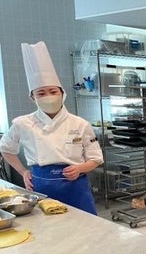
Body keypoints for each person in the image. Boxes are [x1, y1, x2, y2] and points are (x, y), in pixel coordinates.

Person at [0, 41, 103, 215]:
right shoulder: (22, 123)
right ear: (32, 98)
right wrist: (23, 172)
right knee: (49, 228)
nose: (48, 97)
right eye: (41, 93)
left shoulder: (80, 124)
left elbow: (96, 158)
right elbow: (5, 148)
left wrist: (80, 168)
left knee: (85, 227)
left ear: (62, 94)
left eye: (53, 91)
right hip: (41, 186)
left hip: (75, 187)